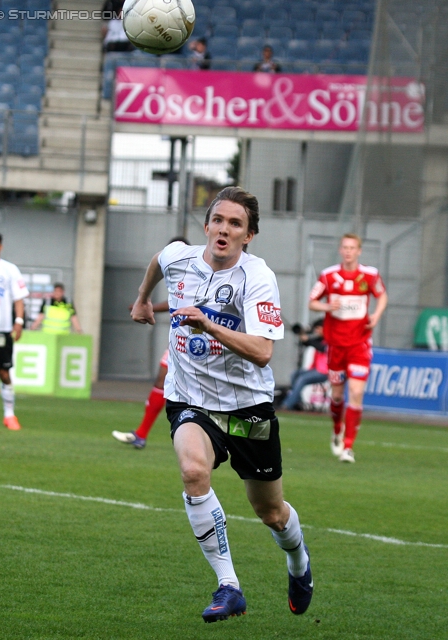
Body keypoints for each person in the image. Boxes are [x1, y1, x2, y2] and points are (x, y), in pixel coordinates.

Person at [130, 186, 313, 623]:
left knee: (270, 511)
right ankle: (229, 586)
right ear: (207, 225)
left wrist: (207, 324)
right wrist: (141, 299)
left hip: (247, 407)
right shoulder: (181, 258)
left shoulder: (258, 277)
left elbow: (264, 351)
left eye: (236, 224)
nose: (224, 230)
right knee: (194, 471)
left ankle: (299, 564)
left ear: (249, 235)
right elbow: (159, 259)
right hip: (189, 398)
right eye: (218, 220)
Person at [308, 233, 388, 463]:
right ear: (341, 250)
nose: (348, 251)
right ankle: (336, 429)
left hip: (360, 343)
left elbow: (382, 297)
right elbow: (311, 302)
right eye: (345, 247)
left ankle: (349, 447)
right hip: (336, 344)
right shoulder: (329, 275)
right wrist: (326, 305)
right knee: (336, 395)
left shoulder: (370, 275)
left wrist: (376, 315)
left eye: (352, 247)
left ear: (359, 251)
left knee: (356, 392)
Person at [112, 238, 190, 450]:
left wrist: (148, 304)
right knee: (161, 379)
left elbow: (179, 304)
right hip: (181, 340)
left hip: (199, 342)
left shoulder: (195, 271)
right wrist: (144, 301)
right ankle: (141, 434)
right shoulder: (177, 274)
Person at [0, 230, 29, 431]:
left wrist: (19, 321)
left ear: (0, 247)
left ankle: (9, 414)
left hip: (1, 330)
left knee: (3, 372)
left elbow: (18, 299)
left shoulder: (10, 270)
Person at [281, 318, 328, 411]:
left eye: (318, 328)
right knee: (295, 374)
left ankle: (286, 405)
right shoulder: (319, 339)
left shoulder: (330, 339)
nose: (316, 331)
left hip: (325, 372)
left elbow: (322, 347)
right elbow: (309, 342)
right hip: (315, 370)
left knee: (302, 379)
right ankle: (298, 402)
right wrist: (302, 334)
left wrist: (307, 339)